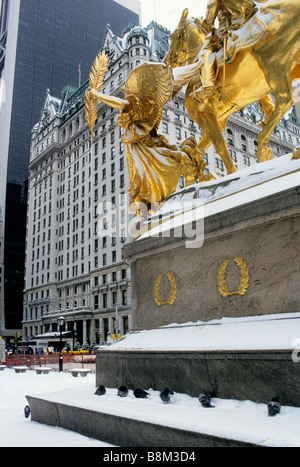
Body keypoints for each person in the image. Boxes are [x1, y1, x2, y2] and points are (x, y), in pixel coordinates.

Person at [195, 0, 259, 100]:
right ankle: (269, 107)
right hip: (254, 28)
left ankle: (208, 85)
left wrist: (204, 25)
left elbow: (208, 20)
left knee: (205, 54)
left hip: (230, 34)